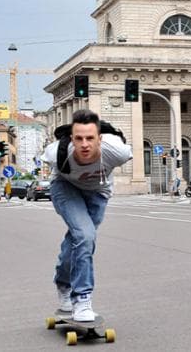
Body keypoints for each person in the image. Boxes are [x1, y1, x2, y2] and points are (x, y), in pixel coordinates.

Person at [43, 109, 132, 322]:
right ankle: (82, 299)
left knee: (80, 238)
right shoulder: (55, 153)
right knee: (84, 236)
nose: (84, 145)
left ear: (99, 139)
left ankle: (63, 282)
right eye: (79, 139)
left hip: (98, 192)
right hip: (65, 187)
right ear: (72, 139)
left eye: (90, 138)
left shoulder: (117, 151)